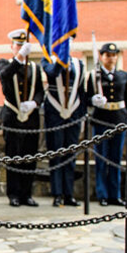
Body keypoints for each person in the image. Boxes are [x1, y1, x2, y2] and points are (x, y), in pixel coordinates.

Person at [0, 30, 44, 207]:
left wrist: (35, 103)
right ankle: (14, 194)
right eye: (17, 45)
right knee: (13, 155)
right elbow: (5, 76)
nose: (20, 48)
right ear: (12, 47)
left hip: (31, 118)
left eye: (23, 45)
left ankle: (27, 193)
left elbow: (41, 91)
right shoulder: (5, 64)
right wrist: (19, 59)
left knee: (30, 156)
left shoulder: (35, 68)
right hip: (12, 116)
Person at [86, 42, 127, 207]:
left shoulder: (123, 76)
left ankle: (115, 194)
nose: (111, 58)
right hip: (101, 120)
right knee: (101, 159)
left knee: (116, 159)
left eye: (113, 55)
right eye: (107, 55)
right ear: (102, 56)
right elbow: (85, 98)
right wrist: (93, 100)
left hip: (119, 120)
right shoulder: (94, 76)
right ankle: (102, 194)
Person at [42, 53, 87, 207]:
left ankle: (69, 193)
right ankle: (57, 194)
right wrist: (61, 58)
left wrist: (83, 116)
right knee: (56, 154)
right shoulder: (48, 60)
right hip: (55, 112)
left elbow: (81, 91)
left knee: (70, 155)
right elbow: (53, 72)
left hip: (73, 113)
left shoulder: (78, 63)